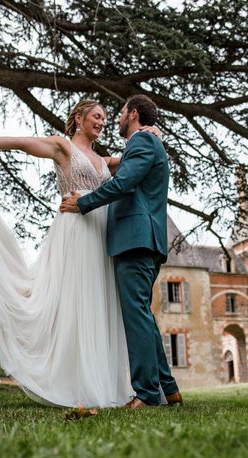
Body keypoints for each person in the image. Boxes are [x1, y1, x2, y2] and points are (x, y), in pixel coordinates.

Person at [0, 99, 153, 408]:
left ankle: (108, 382)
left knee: (100, 304)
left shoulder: (105, 161)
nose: (102, 122)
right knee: (76, 303)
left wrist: (148, 131)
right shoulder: (62, 146)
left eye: (105, 118)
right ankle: (77, 382)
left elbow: (138, 157)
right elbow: (21, 143)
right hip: (75, 231)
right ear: (79, 118)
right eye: (97, 116)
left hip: (102, 233)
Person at [60, 94, 183, 409]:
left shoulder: (141, 143)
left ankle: (145, 394)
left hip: (136, 239)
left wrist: (84, 202)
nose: (115, 118)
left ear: (134, 114)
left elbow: (123, 183)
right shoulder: (146, 142)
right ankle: (169, 390)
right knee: (143, 314)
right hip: (141, 240)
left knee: (136, 316)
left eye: (120, 112)